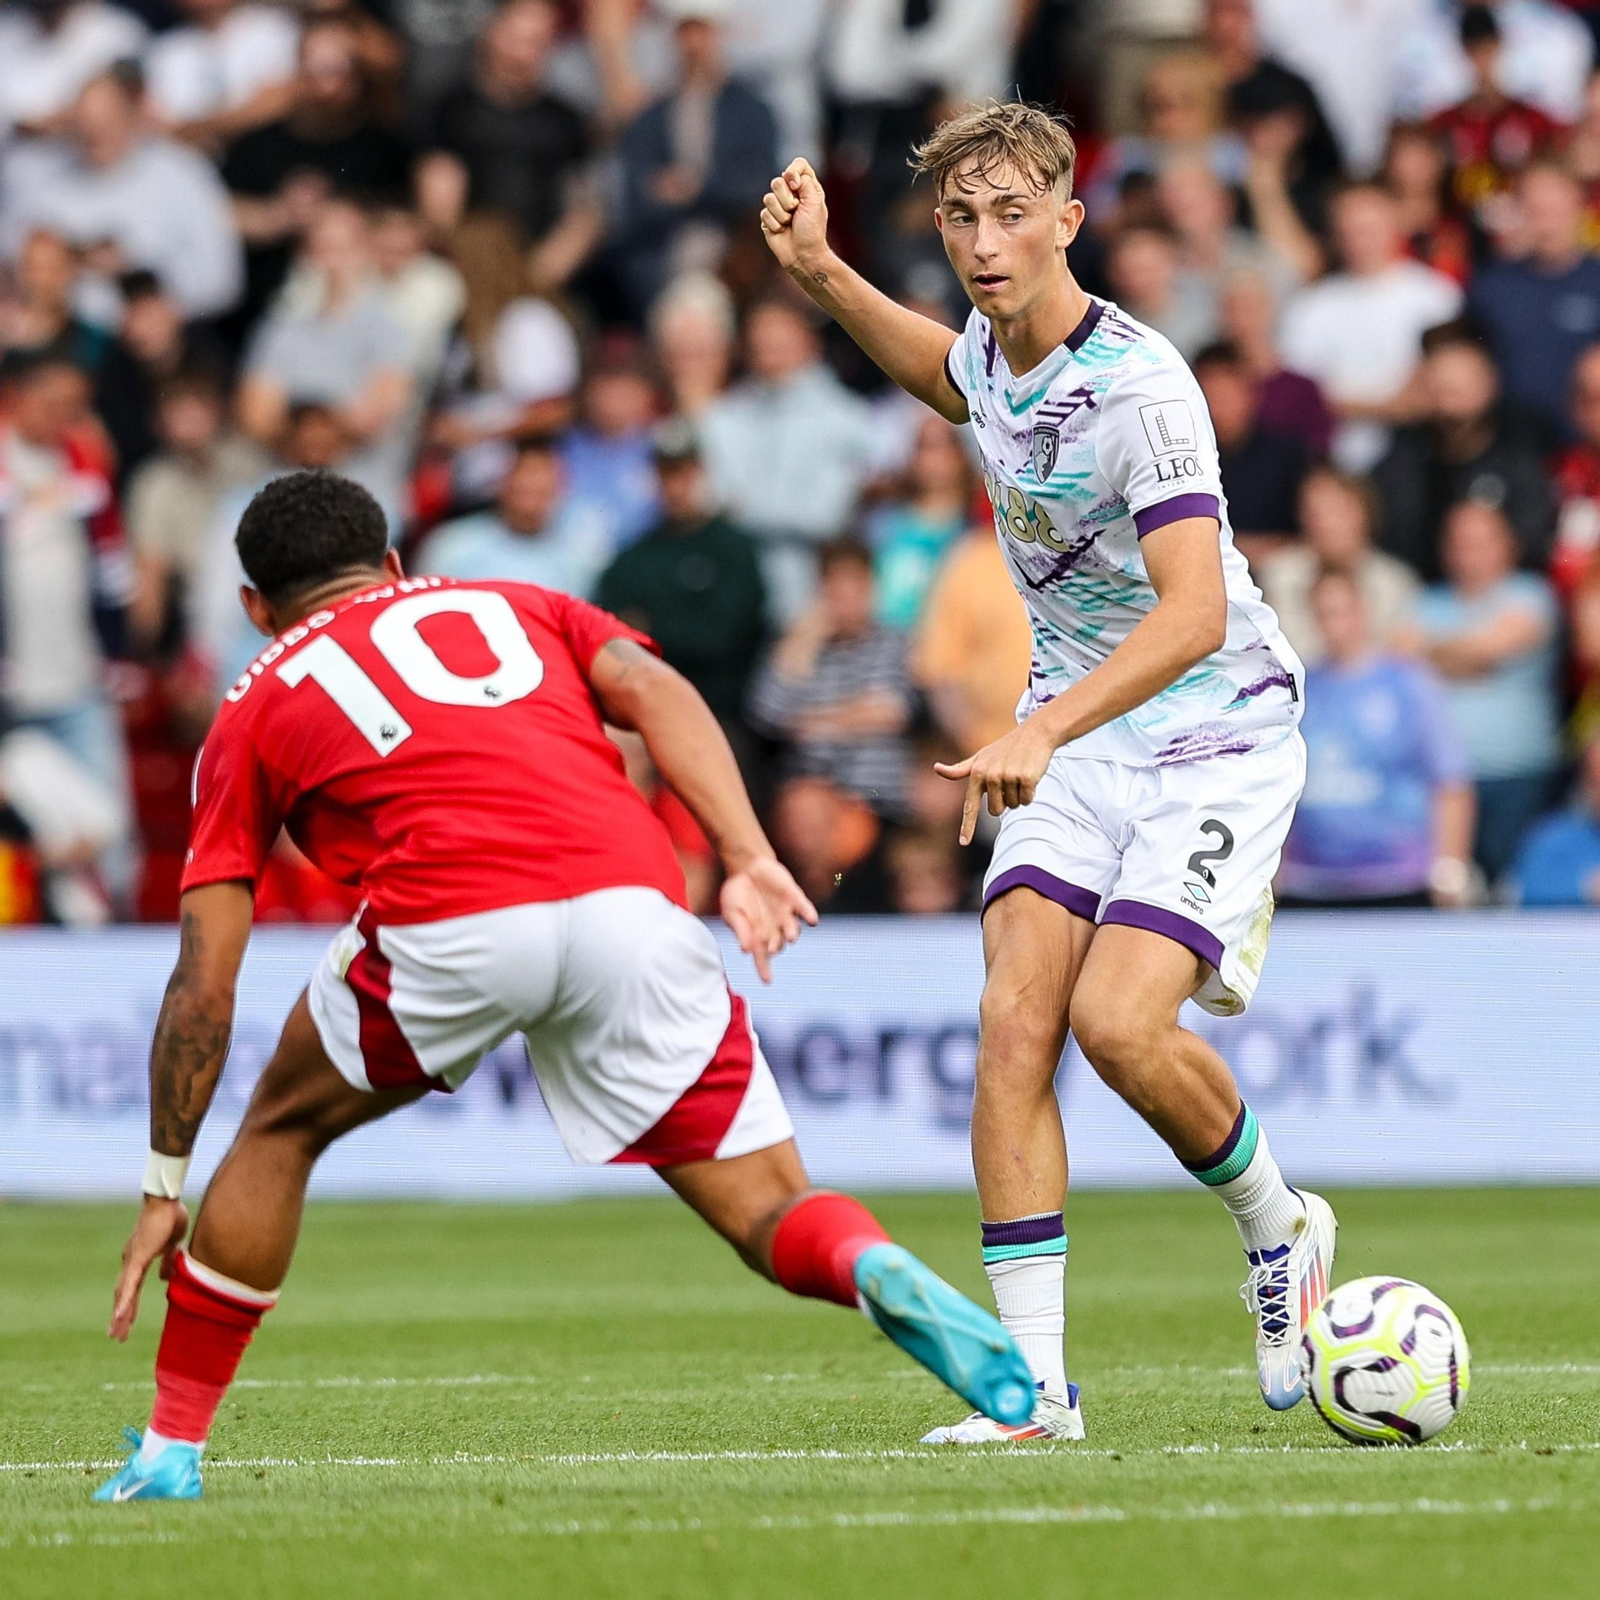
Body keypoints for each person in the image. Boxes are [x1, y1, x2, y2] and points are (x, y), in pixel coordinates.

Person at [92, 468, 1035, 1504]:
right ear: (397, 565)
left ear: (255, 609)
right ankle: (864, 1263)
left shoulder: (255, 695)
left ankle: (170, 1448)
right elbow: (657, 691)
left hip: (448, 916)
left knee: (277, 1132)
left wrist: (162, 1183)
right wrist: (748, 853)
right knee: (772, 1210)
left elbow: (201, 983)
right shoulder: (515, 601)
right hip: (630, 902)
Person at [760, 101, 1334, 1443]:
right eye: (961, 217)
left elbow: (1193, 615)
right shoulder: (992, 347)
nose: (983, 240)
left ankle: (1279, 1226)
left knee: (1120, 1027)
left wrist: (1042, 728)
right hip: (1074, 730)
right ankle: (1034, 1397)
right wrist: (822, 276)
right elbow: (950, 378)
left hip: (1213, 730)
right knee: (1013, 1027)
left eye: (1011, 212)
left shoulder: (1144, 385)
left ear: (1069, 220)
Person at [1279, 569, 1475, 908]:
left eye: (1341, 611)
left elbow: (1449, 779)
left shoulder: (1408, 683)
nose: (1334, 624)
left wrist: (1450, 867)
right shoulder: (1300, 688)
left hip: (1398, 877)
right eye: (1323, 613)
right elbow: (1281, 783)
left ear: (1362, 611)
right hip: (1311, 880)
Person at [0, 64, 243, 321]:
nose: (95, 137)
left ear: (132, 116)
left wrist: (135, 270)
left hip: (151, 336)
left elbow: (220, 281)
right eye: (85, 126)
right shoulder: (39, 176)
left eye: (107, 124)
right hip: (59, 333)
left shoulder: (184, 175)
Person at [1407, 498, 1562, 883]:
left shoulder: (1532, 594)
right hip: (1443, 783)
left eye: (1480, 541)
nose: (1468, 552)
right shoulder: (1428, 600)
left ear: (1508, 544)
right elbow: (1403, 659)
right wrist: (1473, 656)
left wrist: (1438, 654)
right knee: (1449, 894)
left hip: (1519, 776)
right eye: (1459, 541)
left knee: (1513, 892)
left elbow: (1494, 647)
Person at [698, 296, 875, 622]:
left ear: (809, 341)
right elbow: (709, 504)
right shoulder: (723, 416)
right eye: (760, 338)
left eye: (779, 337)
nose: (768, 346)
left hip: (811, 603)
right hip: (730, 600)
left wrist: (741, 510)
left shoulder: (848, 419)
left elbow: (826, 516)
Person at [594, 418, 768, 737]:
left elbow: (723, 639)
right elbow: (608, 633)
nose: (675, 485)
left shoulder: (733, 548)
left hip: (721, 713)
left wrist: (651, 629)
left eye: (684, 473)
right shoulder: (634, 556)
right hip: (643, 713)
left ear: (701, 472)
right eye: (666, 474)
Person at [1278, 180, 1464, 472]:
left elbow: (1442, 388)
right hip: (1331, 467)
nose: (1360, 241)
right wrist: (1388, 407)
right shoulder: (1310, 307)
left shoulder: (1437, 297)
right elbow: (1297, 396)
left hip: (1420, 461)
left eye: (1369, 229)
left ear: (1396, 224)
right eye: (1349, 231)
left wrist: (1344, 403)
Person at [1370, 321, 1554, 580]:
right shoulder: (1403, 459)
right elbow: (1391, 540)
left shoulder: (1520, 449)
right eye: (1442, 385)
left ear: (1491, 382)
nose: (1453, 398)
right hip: (1422, 594)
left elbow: (1533, 537)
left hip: (1504, 590)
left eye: (1465, 382)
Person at [747, 536, 914, 820]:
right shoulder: (798, 644)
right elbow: (766, 714)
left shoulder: (894, 643)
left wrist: (805, 723)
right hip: (808, 793)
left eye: (854, 591)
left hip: (873, 797)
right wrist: (800, 644)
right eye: (836, 593)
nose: (846, 603)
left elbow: (887, 711)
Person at [1468, 163, 1600, 442]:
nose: (1547, 224)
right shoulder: (1490, 286)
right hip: (1510, 448)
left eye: (1555, 211)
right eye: (1536, 211)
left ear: (1580, 207)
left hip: (1586, 450)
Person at [1259, 466, 1421, 667]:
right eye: (1314, 512)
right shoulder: (1278, 576)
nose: (1325, 523)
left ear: (1364, 513)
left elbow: (1404, 652)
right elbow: (1282, 651)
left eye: (1336, 511)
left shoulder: (1395, 580)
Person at [414, 434, 610, 596]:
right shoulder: (453, 544)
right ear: (502, 486)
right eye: (523, 490)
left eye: (542, 492)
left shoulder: (580, 559)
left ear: (561, 491)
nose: (531, 499)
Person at [1192, 340, 1309, 567]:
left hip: (1279, 570)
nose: (1218, 408)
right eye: (1210, 398)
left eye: (1226, 397)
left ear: (1250, 393)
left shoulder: (1290, 456)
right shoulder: (1185, 459)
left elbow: (1307, 534)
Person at [867, 413, 975, 631]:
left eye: (946, 444)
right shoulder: (882, 523)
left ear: (962, 453)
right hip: (884, 639)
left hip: (952, 638)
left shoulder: (979, 523)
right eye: (925, 445)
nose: (936, 457)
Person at [1510, 732, 1600, 903]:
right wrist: (1587, 887)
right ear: (1585, 782)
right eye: (1597, 782)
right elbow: (1527, 888)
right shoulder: (1551, 836)